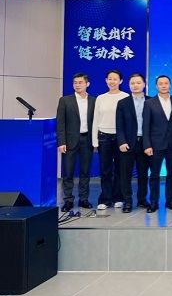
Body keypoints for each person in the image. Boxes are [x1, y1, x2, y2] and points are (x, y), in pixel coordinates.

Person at [56, 72, 95, 211]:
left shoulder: (94, 100)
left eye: (80, 82)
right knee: (68, 172)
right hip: (70, 141)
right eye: (75, 83)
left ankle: (84, 199)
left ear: (87, 84)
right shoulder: (65, 100)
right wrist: (61, 142)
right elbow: (60, 123)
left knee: (85, 172)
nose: (77, 85)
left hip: (87, 140)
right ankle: (68, 200)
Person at [92, 69, 129, 210]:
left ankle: (118, 197)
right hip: (104, 136)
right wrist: (95, 141)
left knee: (120, 169)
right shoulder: (100, 98)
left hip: (121, 138)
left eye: (115, 79)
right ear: (106, 80)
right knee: (105, 170)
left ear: (121, 81)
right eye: (110, 79)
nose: (112, 81)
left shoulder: (126, 97)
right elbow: (95, 120)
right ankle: (105, 199)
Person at [143, 75, 172, 213]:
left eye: (166, 83)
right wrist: (147, 145)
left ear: (170, 85)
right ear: (156, 86)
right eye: (160, 83)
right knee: (154, 174)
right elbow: (146, 126)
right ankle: (154, 202)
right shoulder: (149, 103)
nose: (163, 86)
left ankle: (170, 200)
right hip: (155, 144)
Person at [116, 73, 150, 213]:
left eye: (138, 83)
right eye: (132, 83)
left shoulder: (151, 101)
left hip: (145, 143)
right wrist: (121, 142)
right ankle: (127, 201)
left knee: (143, 174)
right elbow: (119, 125)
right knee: (126, 174)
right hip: (128, 144)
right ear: (129, 85)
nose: (135, 85)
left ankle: (142, 199)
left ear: (144, 84)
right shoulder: (123, 103)